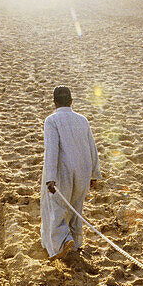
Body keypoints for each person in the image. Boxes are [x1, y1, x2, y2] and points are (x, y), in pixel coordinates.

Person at [41, 86, 100, 259]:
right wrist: (95, 173)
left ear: (55, 102)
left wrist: (50, 178)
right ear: (71, 101)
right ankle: (76, 242)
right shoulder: (82, 120)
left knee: (57, 208)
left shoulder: (51, 120)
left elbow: (51, 150)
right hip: (83, 170)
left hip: (62, 172)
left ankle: (63, 241)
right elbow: (92, 147)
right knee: (76, 207)